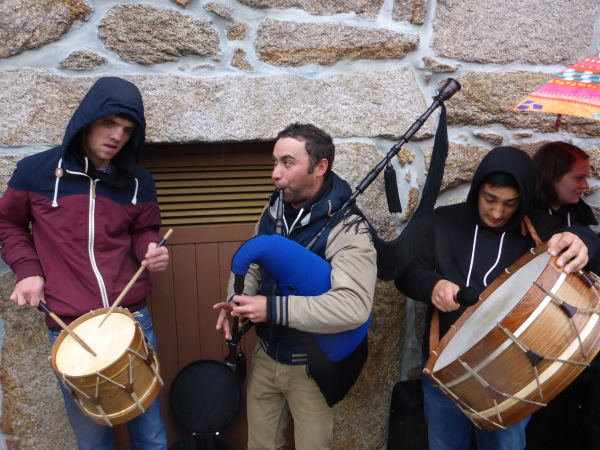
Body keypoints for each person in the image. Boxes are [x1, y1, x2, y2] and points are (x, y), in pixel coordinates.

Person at [0, 77, 169, 449]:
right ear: (87, 120)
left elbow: (144, 229)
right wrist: (28, 271)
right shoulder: (36, 172)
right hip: (70, 326)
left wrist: (150, 248)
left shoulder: (138, 181)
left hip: (130, 320)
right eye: (109, 123)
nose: (117, 136)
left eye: (127, 130)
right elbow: (7, 222)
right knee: (93, 442)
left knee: (152, 436)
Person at [394, 146, 600, 450]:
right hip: (445, 367)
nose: (496, 212)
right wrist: (432, 285)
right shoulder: (443, 221)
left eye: (510, 203)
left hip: (510, 373)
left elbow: (589, 246)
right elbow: (407, 272)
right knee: (445, 445)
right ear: (477, 189)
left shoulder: (542, 228)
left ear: (524, 200)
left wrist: (582, 241)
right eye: (489, 199)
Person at [214, 123, 377, 450]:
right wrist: (239, 297)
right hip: (266, 355)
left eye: (287, 163)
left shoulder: (348, 226)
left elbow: (352, 307)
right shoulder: (273, 208)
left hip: (311, 366)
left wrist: (271, 308)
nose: (275, 174)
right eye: (275, 162)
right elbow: (253, 261)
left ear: (320, 167)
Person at [527, 141, 600, 450]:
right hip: (544, 337)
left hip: (584, 333)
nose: (587, 185)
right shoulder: (527, 216)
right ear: (551, 176)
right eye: (578, 177)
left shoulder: (578, 214)